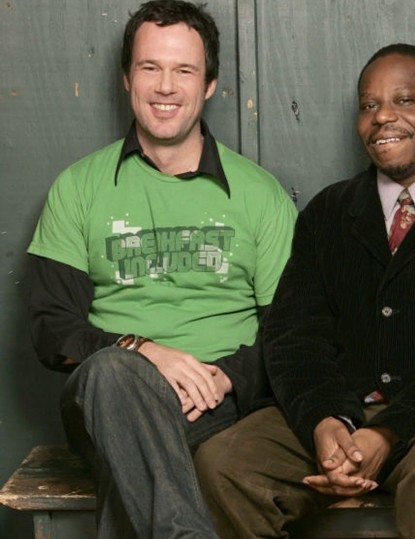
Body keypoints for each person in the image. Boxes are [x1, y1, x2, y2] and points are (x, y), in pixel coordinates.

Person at [194, 43, 415, 539]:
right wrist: (324, 421)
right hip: (344, 409)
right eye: (369, 105)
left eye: (404, 100)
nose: (383, 116)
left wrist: (389, 430)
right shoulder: (328, 213)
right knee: (224, 462)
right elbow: (296, 335)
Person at [25, 1, 296, 537]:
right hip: (108, 396)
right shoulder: (78, 188)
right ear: (127, 78)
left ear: (210, 84)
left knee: (133, 452)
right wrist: (140, 350)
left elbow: (294, 330)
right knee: (113, 375)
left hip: (217, 403)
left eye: (184, 70)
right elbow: (51, 325)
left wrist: (228, 378)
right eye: (150, 68)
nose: (165, 86)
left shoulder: (260, 195)